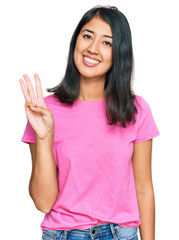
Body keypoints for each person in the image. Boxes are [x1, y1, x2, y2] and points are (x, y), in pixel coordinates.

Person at [19, 5, 160, 240]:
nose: (92, 49)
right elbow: (43, 203)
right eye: (87, 36)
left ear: (119, 53)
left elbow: (144, 189)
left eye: (107, 42)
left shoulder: (137, 110)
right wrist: (44, 139)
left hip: (120, 234)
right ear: (76, 41)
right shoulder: (44, 111)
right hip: (63, 235)